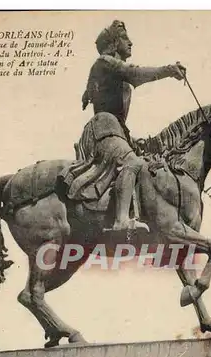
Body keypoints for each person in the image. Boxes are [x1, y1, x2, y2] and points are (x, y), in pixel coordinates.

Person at [60, 20, 186, 232]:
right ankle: (120, 222)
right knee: (134, 164)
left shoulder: (110, 67)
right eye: (125, 39)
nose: (131, 43)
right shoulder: (105, 62)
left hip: (115, 129)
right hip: (103, 128)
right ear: (113, 43)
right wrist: (168, 70)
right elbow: (135, 73)